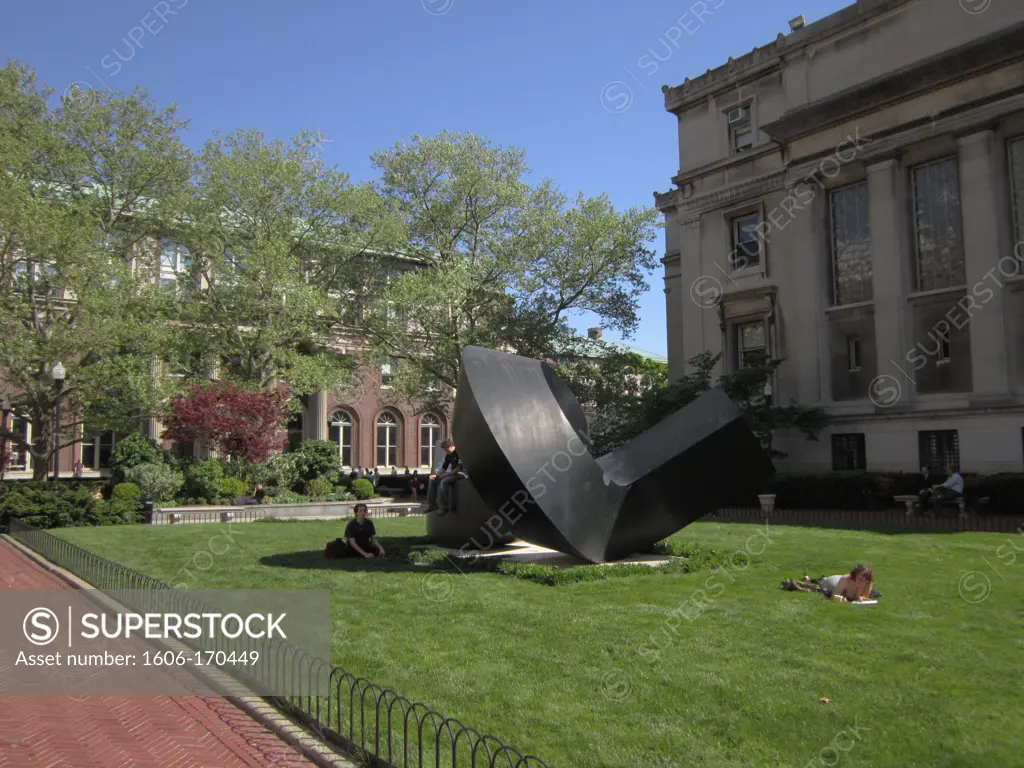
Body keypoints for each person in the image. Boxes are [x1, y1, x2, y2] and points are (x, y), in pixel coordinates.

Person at [781, 564, 876, 602]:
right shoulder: (846, 579)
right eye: (859, 579)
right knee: (820, 585)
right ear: (854, 576)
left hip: (839, 583)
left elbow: (862, 596)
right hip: (833, 582)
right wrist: (842, 599)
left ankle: (810, 578)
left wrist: (860, 594)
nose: (862, 582)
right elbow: (834, 596)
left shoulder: (868, 582)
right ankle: (806, 579)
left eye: (865, 580)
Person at [425, 439, 466, 515]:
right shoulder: (448, 455)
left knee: (444, 481)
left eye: (445, 449)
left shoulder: (459, 453)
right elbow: (444, 468)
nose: (445, 451)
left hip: (462, 474)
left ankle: (444, 507)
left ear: (451, 446)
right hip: (453, 473)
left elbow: (459, 468)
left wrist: (447, 474)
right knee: (432, 480)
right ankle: (432, 505)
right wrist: (436, 475)